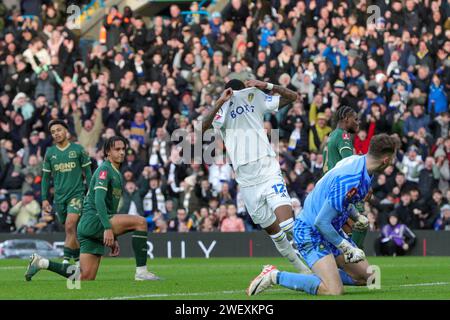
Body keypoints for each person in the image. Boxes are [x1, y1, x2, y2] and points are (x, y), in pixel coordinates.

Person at [247, 134, 399, 296]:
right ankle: (274, 276)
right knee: (334, 291)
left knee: (370, 277)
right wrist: (346, 247)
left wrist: (356, 216)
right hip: (310, 231)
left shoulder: (361, 164)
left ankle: (324, 275)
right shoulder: (350, 179)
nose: (393, 161)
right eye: (393, 157)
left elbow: (341, 199)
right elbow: (321, 222)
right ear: (386, 160)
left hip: (330, 230)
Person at [202, 78, 310, 274]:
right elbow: (202, 128)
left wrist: (266, 86)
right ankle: (302, 268)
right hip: (247, 181)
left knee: (287, 225)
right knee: (275, 233)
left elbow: (293, 96)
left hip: (268, 170)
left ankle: (319, 260)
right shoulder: (222, 110)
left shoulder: (255, 97)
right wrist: (220, 102)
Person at [26, 136, 160, 281]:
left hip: (89, 225)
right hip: (94, 220)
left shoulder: (117, 174)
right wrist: (108, 228)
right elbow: (99, 200)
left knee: (84, 276)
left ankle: (41, 262)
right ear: (108, 152)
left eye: (123, 149)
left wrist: (113, 237)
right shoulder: (105, 170)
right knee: (140, 222)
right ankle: (141, 272)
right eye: (117, 149)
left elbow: (111, 208)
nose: (121, 152)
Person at [41, 120, 92, 265]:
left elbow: (88, 174)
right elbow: (45, 178)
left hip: (76, 195)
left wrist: (91, 193)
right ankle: (77, 261)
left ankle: (65, 259)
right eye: (53, 132)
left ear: (66, 132)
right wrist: (45, 199)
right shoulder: (50, 153)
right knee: (70, 231)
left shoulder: (78, 150)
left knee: (70, 225)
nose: (56, 133)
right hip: (59, 198)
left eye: (59, 130)